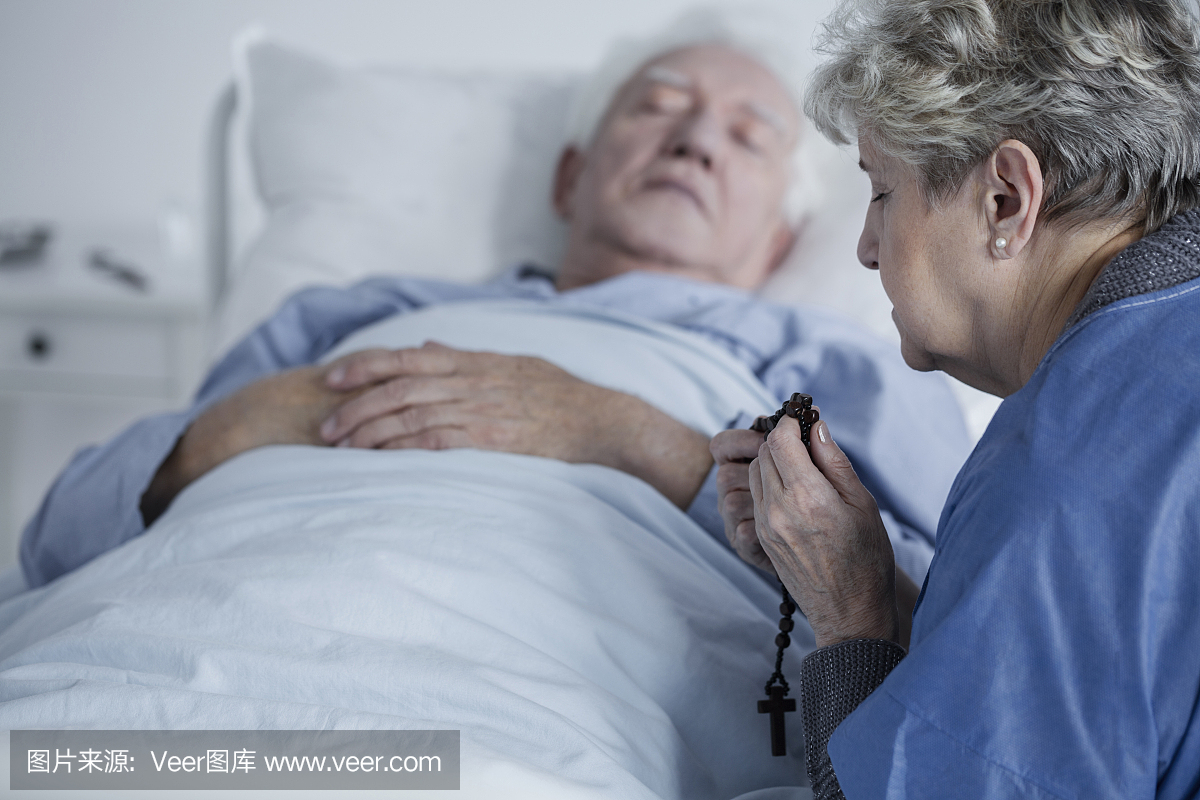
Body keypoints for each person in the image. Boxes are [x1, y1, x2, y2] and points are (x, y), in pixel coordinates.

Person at [19, 11, 969, 614]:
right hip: (192, 608)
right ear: (569, 176)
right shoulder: (359, 314)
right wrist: (262, 420)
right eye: (657, 108)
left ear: (778, 238)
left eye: (748, 136)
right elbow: (59, 538)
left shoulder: (843, 360)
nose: (693, 141)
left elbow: (938, 616)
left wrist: (627, 436)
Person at [712, 0, 1200, 796]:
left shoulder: (1059, 470)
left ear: (1005, 199)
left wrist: (851, 620)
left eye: (881, 194)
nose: (866, 249)